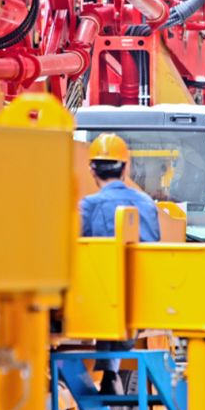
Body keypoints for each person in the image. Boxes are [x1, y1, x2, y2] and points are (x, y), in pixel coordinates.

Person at [81, 133, 161, 393]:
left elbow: (81, 253)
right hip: (139, 301)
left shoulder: (88, 206)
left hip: (100, 302)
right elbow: (152, 252)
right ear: (125, 168)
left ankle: (109, 368)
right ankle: (110, 369)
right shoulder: (146, 204)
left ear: (93, 171)